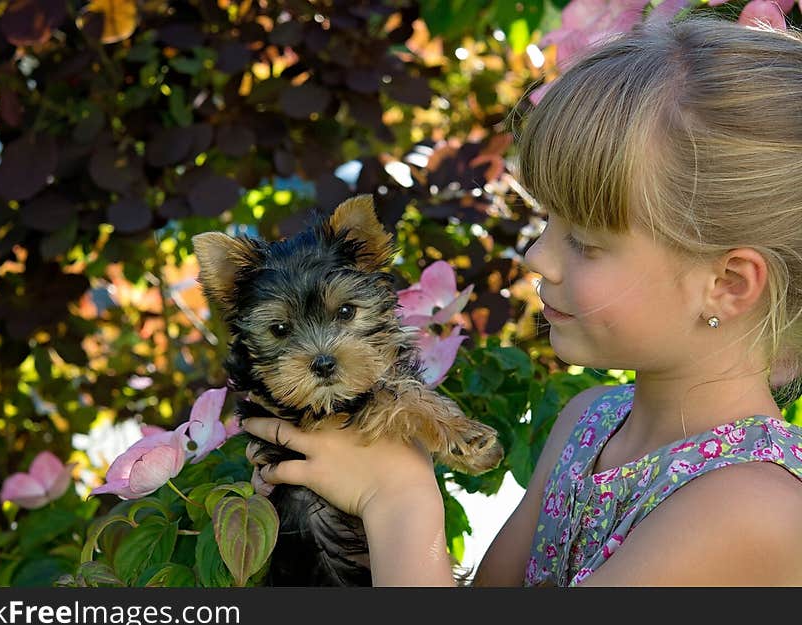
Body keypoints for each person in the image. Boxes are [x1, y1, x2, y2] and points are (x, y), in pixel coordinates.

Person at [241, 14, 802, 586]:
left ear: (728, 285)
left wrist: (398, 499)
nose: (537, 257)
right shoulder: (592, 422)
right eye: (546, 222)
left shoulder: (749, 510)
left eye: (584, 242)